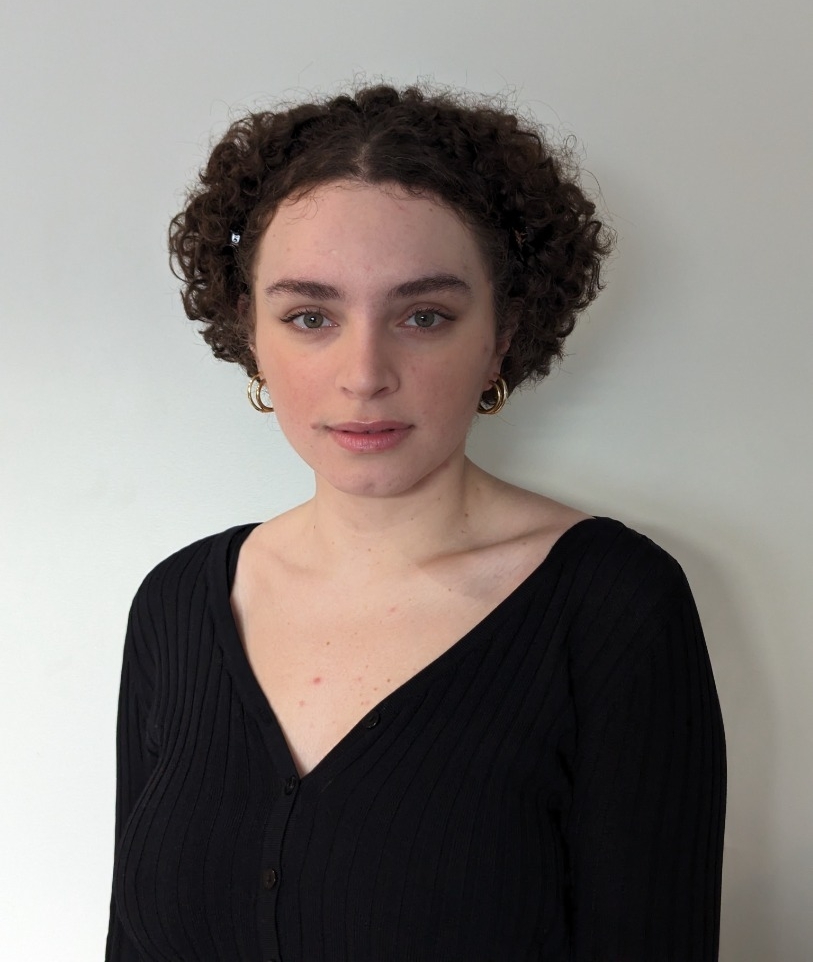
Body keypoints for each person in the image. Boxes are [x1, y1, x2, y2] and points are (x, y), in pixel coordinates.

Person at [106, 82, 726, 961]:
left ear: (501, 334)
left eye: (423, 316)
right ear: (251, 333)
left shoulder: (612, 607)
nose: (364, 373)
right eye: (310, 317)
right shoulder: (174, 604)